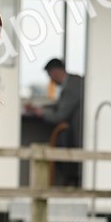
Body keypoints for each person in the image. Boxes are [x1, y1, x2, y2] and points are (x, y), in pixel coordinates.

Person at [25, 58, 84, 186]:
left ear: (55, 72)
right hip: (73, 133)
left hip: (76, 134)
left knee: (61, 152)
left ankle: (70, 183)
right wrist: (40, 108)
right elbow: (60, 106)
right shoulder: (72, 82)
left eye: (50, 75)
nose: (50, 80)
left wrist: (41, 113)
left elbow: (60, 115)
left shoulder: (73, 85)